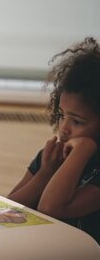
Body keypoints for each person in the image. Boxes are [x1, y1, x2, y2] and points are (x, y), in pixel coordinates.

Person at [8, 37, 100, 243]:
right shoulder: (52, 157)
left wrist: (84, 149)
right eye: (61, 115)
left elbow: (52, 207)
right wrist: (45, 173)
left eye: (77, 121)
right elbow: (6, 208)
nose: (64, 128)